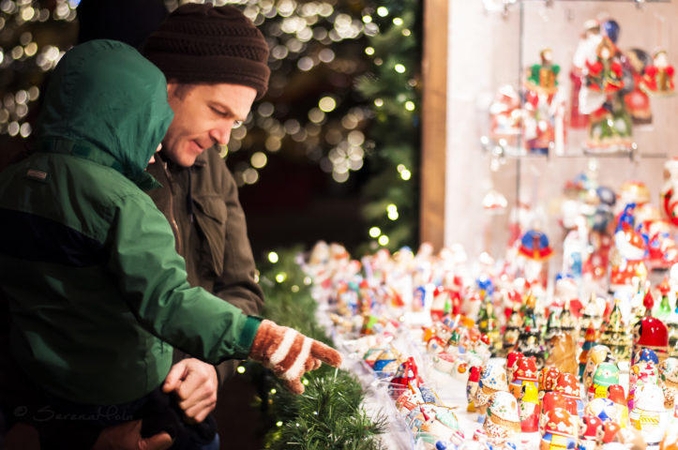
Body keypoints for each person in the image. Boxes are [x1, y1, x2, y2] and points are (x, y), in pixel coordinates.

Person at [0, 38, 341, 450]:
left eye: (236, 121)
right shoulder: (126, 200)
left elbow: (241, 282)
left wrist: (215, 369)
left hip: (55, 398)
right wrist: (260, 338)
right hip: (119, 400)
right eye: (218, 111)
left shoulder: (14, 182)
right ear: (160, 94)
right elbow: (169, 299)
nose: (224, 137)